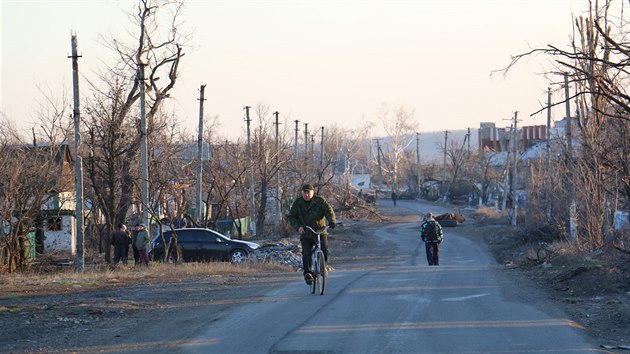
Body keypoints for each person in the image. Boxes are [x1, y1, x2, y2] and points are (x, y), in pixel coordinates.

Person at [287, 184, 336, 285]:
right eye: (304, 192)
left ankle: (323, 266)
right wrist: (298, 227)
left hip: (320, 230)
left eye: (308, 192)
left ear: (313, 192)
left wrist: (331, 221)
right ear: (302, 193)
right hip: (306, 233)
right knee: (306, 253)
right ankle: (308, 274)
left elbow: (328, 211)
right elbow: (291, 217)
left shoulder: (319, 201)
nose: (306, 194)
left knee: (324, 248)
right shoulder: (298, 203)